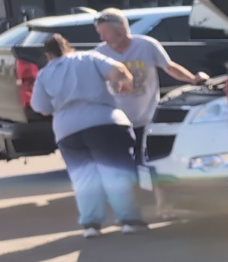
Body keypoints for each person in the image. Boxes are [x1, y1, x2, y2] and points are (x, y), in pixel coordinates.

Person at [27, 33, 146, 237]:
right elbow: (118, 70)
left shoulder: (45, 74)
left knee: (83, 178)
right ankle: (129, 220)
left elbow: (40, 107)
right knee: (115, 174)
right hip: (104, 121)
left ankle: (91, 225)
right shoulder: (89, 57)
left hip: (67, 130)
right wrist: (124, 83)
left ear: (48, 54)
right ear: (69, 46)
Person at [92, 7, 208, 158]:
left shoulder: (146, 45)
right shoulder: (100, 53)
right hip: (117, 120)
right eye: (100, 34)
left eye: (105, 33)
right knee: (122, 160)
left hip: (146, 117)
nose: (103, 38)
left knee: (145, 158)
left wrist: (193, 79)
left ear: (121, 30)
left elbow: (169, 67)